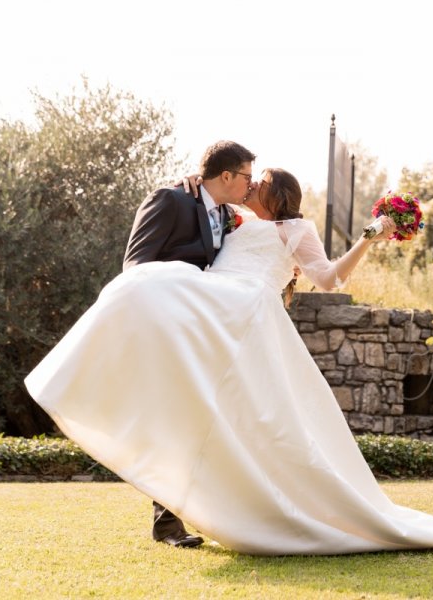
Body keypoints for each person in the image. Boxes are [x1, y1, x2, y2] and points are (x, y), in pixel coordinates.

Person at [25, 168, 433, 555]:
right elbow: (207, 189)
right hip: (212, 313)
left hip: (246, 316)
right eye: (246, 182)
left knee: (256, 418)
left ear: (276, 196)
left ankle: (237, 507)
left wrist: (369, 239)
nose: (249, 187)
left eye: (257, 185)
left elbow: (329, 278)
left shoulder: (293, 230)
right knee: (181, 378)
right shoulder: (231, 219)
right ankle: (174, 507)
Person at [126, 139, 257, 548]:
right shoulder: (170, 200)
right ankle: (166, 526)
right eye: (247, 178)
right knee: (173, 423)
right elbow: (135, 265)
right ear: (226, 176)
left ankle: (200, 514)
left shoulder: (228, 213)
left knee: (201, 423)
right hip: (165, 329)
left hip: (202, 334)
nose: (251, 186)